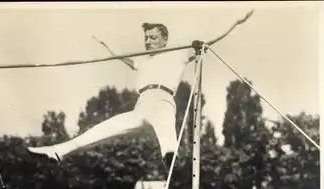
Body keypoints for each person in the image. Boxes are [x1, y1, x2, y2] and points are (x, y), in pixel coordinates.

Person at [28, 22, 204, 172]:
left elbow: (201, 49)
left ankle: (171, 159)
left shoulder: (177, 54)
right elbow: (120, 55)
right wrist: (104, 43)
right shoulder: (142, 61)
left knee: (167, 136)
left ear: (165, 39)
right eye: (146, 38)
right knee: (101, 130)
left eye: (153, 38)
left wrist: (198, 46)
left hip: (162, 101)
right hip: (141, 106)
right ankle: (58, 151)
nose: (148, 42)